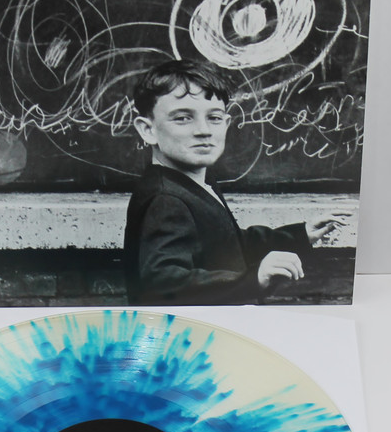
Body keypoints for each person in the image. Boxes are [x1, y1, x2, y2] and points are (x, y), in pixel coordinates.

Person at [123, 59, 340, 305]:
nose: (203, 130)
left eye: (214, 118)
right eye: (183, 118)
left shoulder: (195, 184)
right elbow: (163, 283)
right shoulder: (166, 200)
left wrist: (299, 235)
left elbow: (227, 242)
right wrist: (252, 279)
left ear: (226, 124)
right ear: (147, 130)